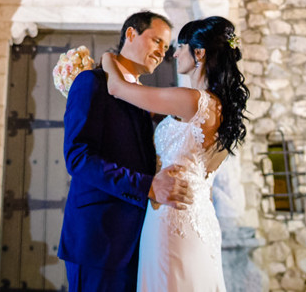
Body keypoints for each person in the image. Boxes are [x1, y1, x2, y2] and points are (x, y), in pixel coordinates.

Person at [101, 16, 249, 291]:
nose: (174, 52)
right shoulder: (220, 108)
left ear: (200, 53)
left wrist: (108, 58)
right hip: (201, 218)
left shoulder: (192, 100)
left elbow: (117, 88)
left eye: (181, 46)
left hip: (172, 217)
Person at [59, 11, 192, 292]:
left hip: (140, 240)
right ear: (131, 34)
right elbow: (78, 158)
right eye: (157, 41)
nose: (161, 52)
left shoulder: (141, 95)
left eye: (166, 47)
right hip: (99, 239)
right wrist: (148, 186)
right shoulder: (91, 82)